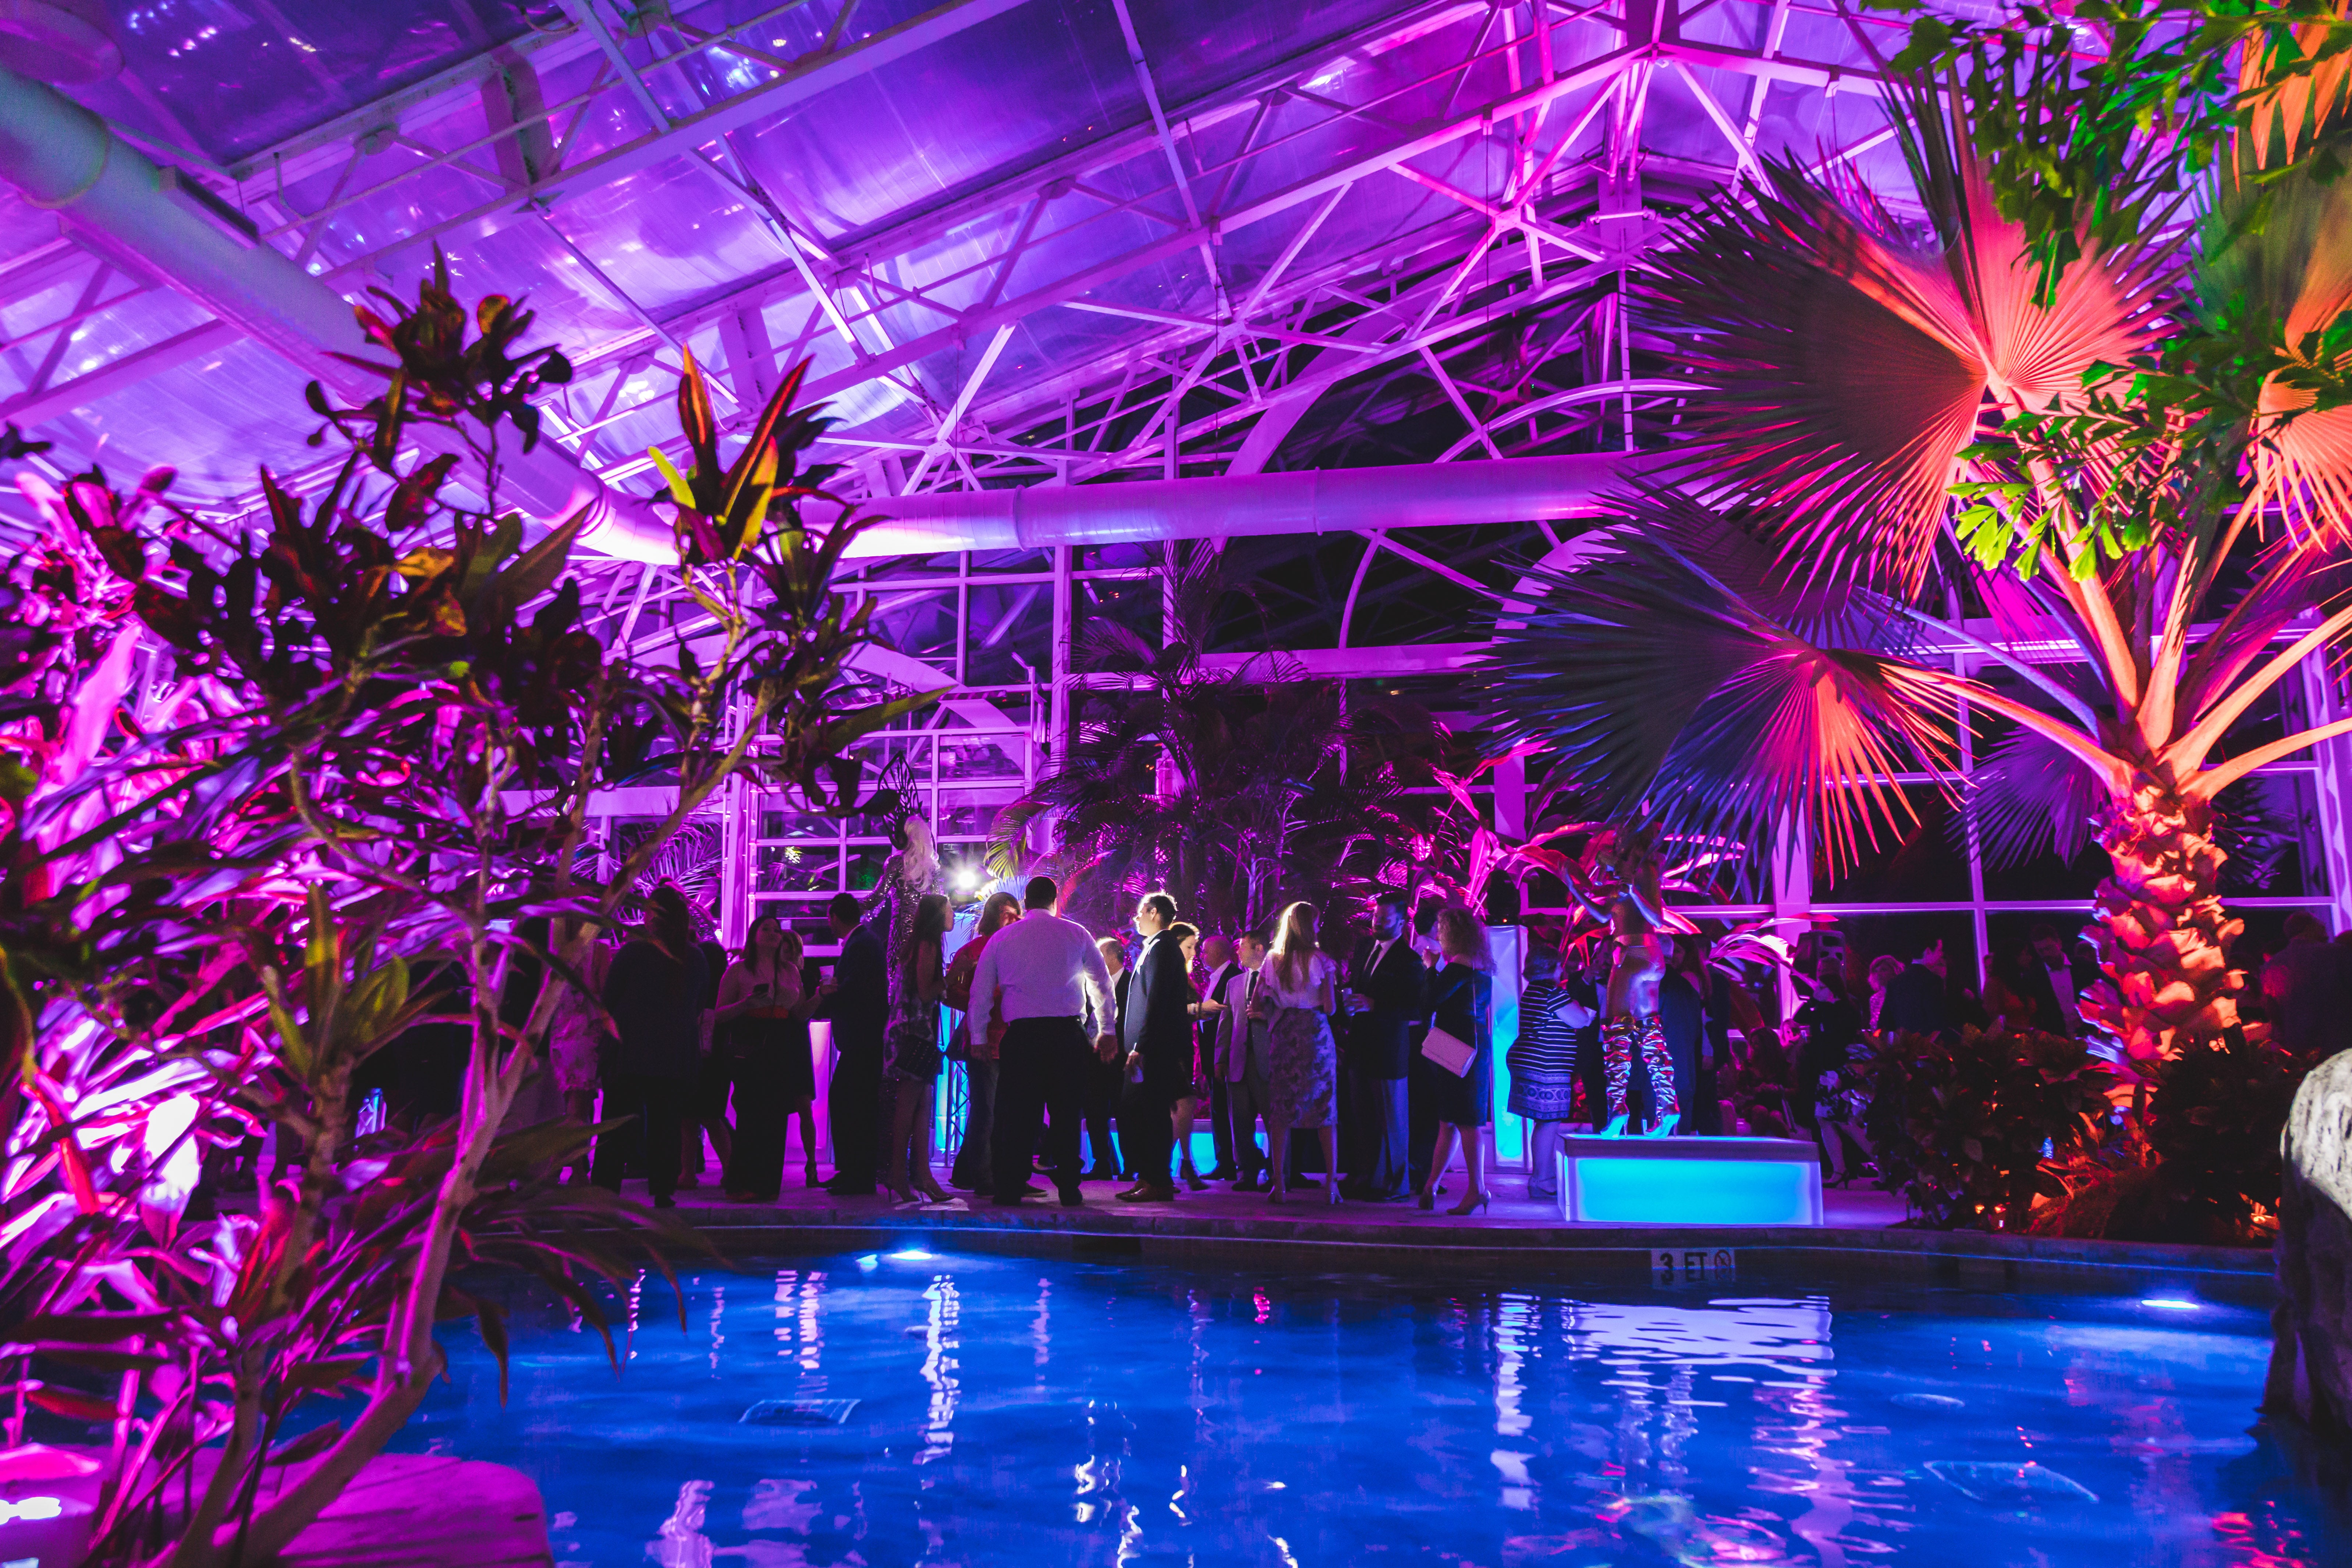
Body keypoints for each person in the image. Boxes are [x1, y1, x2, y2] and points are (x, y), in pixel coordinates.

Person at [969, 876, 1118, 1206]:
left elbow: (980, 992)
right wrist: (1107, 1030)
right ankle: (1069, 1187)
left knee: (1018, 1114)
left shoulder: (1003, 937)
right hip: (1066, 1035)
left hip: (1021, 1037)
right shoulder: (1076, 933)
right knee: (1066, 1113)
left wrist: (978, 1036)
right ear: (1055, 902)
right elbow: (1101, 985)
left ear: (1025, 902)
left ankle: (1010, 1186)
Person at [592, 884, 709, 1209]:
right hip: (673, 1054)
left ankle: (606, 1188)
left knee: (617, 1122)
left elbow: (609, 997)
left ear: (652, 917)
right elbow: (698, 1005)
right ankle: (663, 1189)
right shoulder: (695, 957)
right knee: (665, 1123)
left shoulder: (633, 952)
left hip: (630, 1050)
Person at [716, 916, 823, 1201]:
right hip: (750, 1040)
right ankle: (742, 1183)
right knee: (752, 1115)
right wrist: (746, 1004)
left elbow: (799, 1014)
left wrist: (821, 996)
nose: (774, 934)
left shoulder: (790, 970)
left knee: (776, 1116)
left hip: (782, 1041)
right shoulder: (739, 970)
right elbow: (720, 1013)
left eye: (777, 930)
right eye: (767, 929)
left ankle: (766, 1185)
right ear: (754, 935)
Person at [1254, 900, 1343, 1205]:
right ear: (1311, 925)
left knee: (1281, 1110)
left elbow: (1256, 1004)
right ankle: (1331, 1185)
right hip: (1315, 1034)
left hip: (1285, 1032)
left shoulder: (1272, 959)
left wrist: (1279, 1007)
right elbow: (1330, 1008)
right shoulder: (1321, 960)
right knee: (1324, 1108)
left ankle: (1278, 1184)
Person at [1341, 890, 1425, 1201]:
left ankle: (1396, 1183)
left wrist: (1374, 1005)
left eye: (1385, 919)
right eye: (1376, 917)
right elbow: (1356, 986)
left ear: (1402, 922)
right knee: (1362, 1118)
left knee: (1392, 1118)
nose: (1377, 923)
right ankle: (1367, 1177)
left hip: (1389, 1049)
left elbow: (1415, 1010)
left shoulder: (1409, 960)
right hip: (1360, 1046)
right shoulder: (1364, 948)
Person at [1417, 905, 1495, 1215]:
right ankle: (1431, 1186)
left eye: (1441, 929)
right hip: (1473, 1040)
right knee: (1450, 1119)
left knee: (1464, 1120)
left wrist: (1429, 969)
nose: (1437, 934)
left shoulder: (1459, 966)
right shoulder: (1480, 966)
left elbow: (1429, 1002)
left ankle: (1477, 1189)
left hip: (1456, 1042)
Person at [1117, 894, 1195, 1203]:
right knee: (1139, 1112)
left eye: (1139, 912)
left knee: (1153, 1115)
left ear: (1153, 912)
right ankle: (1148, 1176)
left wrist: (1141, 1046)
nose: (1135, 919)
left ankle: (1158, 1181)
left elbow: (1157, 1002)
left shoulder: (1163, 949)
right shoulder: (1156, 948)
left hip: (1155, 1049)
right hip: (1149, 1048)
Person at [946, 891, 1022, 1194]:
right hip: (984, 1041)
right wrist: (984, 1002)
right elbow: (950, 994)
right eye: (1007, 914)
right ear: (993, 915)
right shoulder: (973, 950)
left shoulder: (1020, 948)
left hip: (1013, 1041)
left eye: (1017, 915)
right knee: (985, 1112)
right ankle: (982, 1179)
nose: (1014, 920)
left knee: (1006, 1113)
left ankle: (997, 1174)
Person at [1506, 945, 1593, 1200]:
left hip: (1533, 1062)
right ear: (1553, 967)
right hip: (1545, 1066)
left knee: (1543, 1122)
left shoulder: (1533, 991)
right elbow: (1580, 1020)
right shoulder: (1551, 992)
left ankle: (1539, 1178)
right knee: (1549, 1122)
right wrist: (1580, 1007)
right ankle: (1541, 1179)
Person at [816, 891, 887, 1196]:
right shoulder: (865, 942)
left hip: (862, 1040)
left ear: (834, 917)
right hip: (866, 1039)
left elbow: (856, 991)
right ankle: (853, 1172)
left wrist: (830, 994)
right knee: (853, 1104)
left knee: (850, 1105)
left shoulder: (859, 945)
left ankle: (857, 1175)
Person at [884, 893, 952, 1205]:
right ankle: (900, 1174)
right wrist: (954, 975)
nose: (953, 913)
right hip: (914, 1032)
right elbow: (926, 992)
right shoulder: (928, 944)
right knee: (910, 1104)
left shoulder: (919, 944)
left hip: (912, 1031)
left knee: (922, 1104)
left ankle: (921, 1175)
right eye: (949, 908)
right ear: (937, 915)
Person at [545, 917, 612, 1184]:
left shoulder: (555, 955)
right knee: (579, 1110)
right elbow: (605, 992)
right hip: (586, 1032)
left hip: (560, 1032)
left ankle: (571, 1170)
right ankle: (561, 1169)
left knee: (572, 1106)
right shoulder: (599, 951)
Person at [1214, 931, 1275, 1190]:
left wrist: (1266, 1017)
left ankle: (1278, 1173)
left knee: (1275, 1121)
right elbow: (1225, 1023)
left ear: (1259, 948)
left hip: (1268, 1060)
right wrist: (1220, 1058)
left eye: (1242, 947)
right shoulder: (1234, 983)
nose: (1237, 952)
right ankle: (1248, 1173)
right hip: (1238, 1061)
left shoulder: (1277, 980)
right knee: (1240, 1121)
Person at [1192, 934, 1241, 1183]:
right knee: (1218, 1109)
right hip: (1213, 1056)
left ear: (1221, 954)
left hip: (1226, 1056)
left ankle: (1232, 1163)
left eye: (1205, 952)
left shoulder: (1233, 976)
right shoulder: (1215, 978)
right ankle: (1225, 1162)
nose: (1201, 956)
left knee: (1225, 1109)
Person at [1167, 924, 1211, 1191]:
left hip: (1186, 1046)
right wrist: (1198, 1008)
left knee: (1182, 1108)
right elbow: (1167, 1009)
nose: (1194, 952)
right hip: (1175, 1047)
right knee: (1183, 1106)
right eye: (1189, 947)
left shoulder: (1181, 974)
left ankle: (1182, 1162)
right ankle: (1177, 1163)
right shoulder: (1171, 973)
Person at [1086, 935, 1130, 1179]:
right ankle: (1102, 1164)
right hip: (1094, 1059)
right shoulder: (1090, 985)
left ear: (1113, 957)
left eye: (1099, 956)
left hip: (1122, 1059)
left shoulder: (1132, 982)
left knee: (1125, 1113)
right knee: (1095, 1112)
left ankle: (1131, 1165)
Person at [1878, 939, 1954, 1036]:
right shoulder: (1933, 981)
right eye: (1939, 950)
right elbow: (1937, 1020)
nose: (1941, 954)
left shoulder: (1895, 982)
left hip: (1901, 1045)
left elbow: (1886, 1020)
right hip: (1925, 1045)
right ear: (1928, 952)